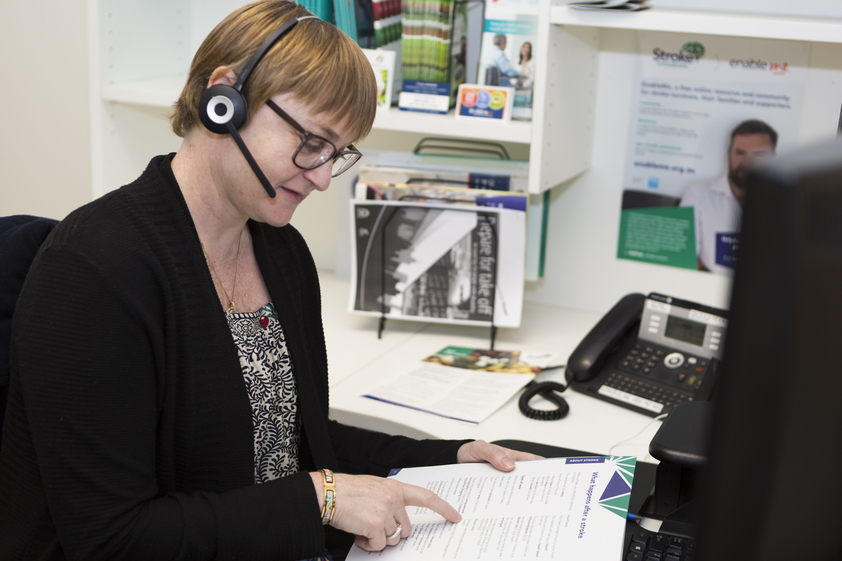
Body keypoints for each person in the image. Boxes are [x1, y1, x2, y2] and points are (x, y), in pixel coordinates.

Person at [0, 2, 538, 560]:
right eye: (312, 143)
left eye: (338, 153)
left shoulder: (277, 249)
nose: (325, 177)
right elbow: (111, 539)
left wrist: (451, 458)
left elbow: (293, 441)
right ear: (224, 98)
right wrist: (321, 499)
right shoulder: (95, 271)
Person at [679, 119, 777, 274]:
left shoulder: (786, 202)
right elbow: (685, 256)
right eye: (740, 153)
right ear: (729, 155)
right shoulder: (698, 193)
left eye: (759, 154)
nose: (748, 162)